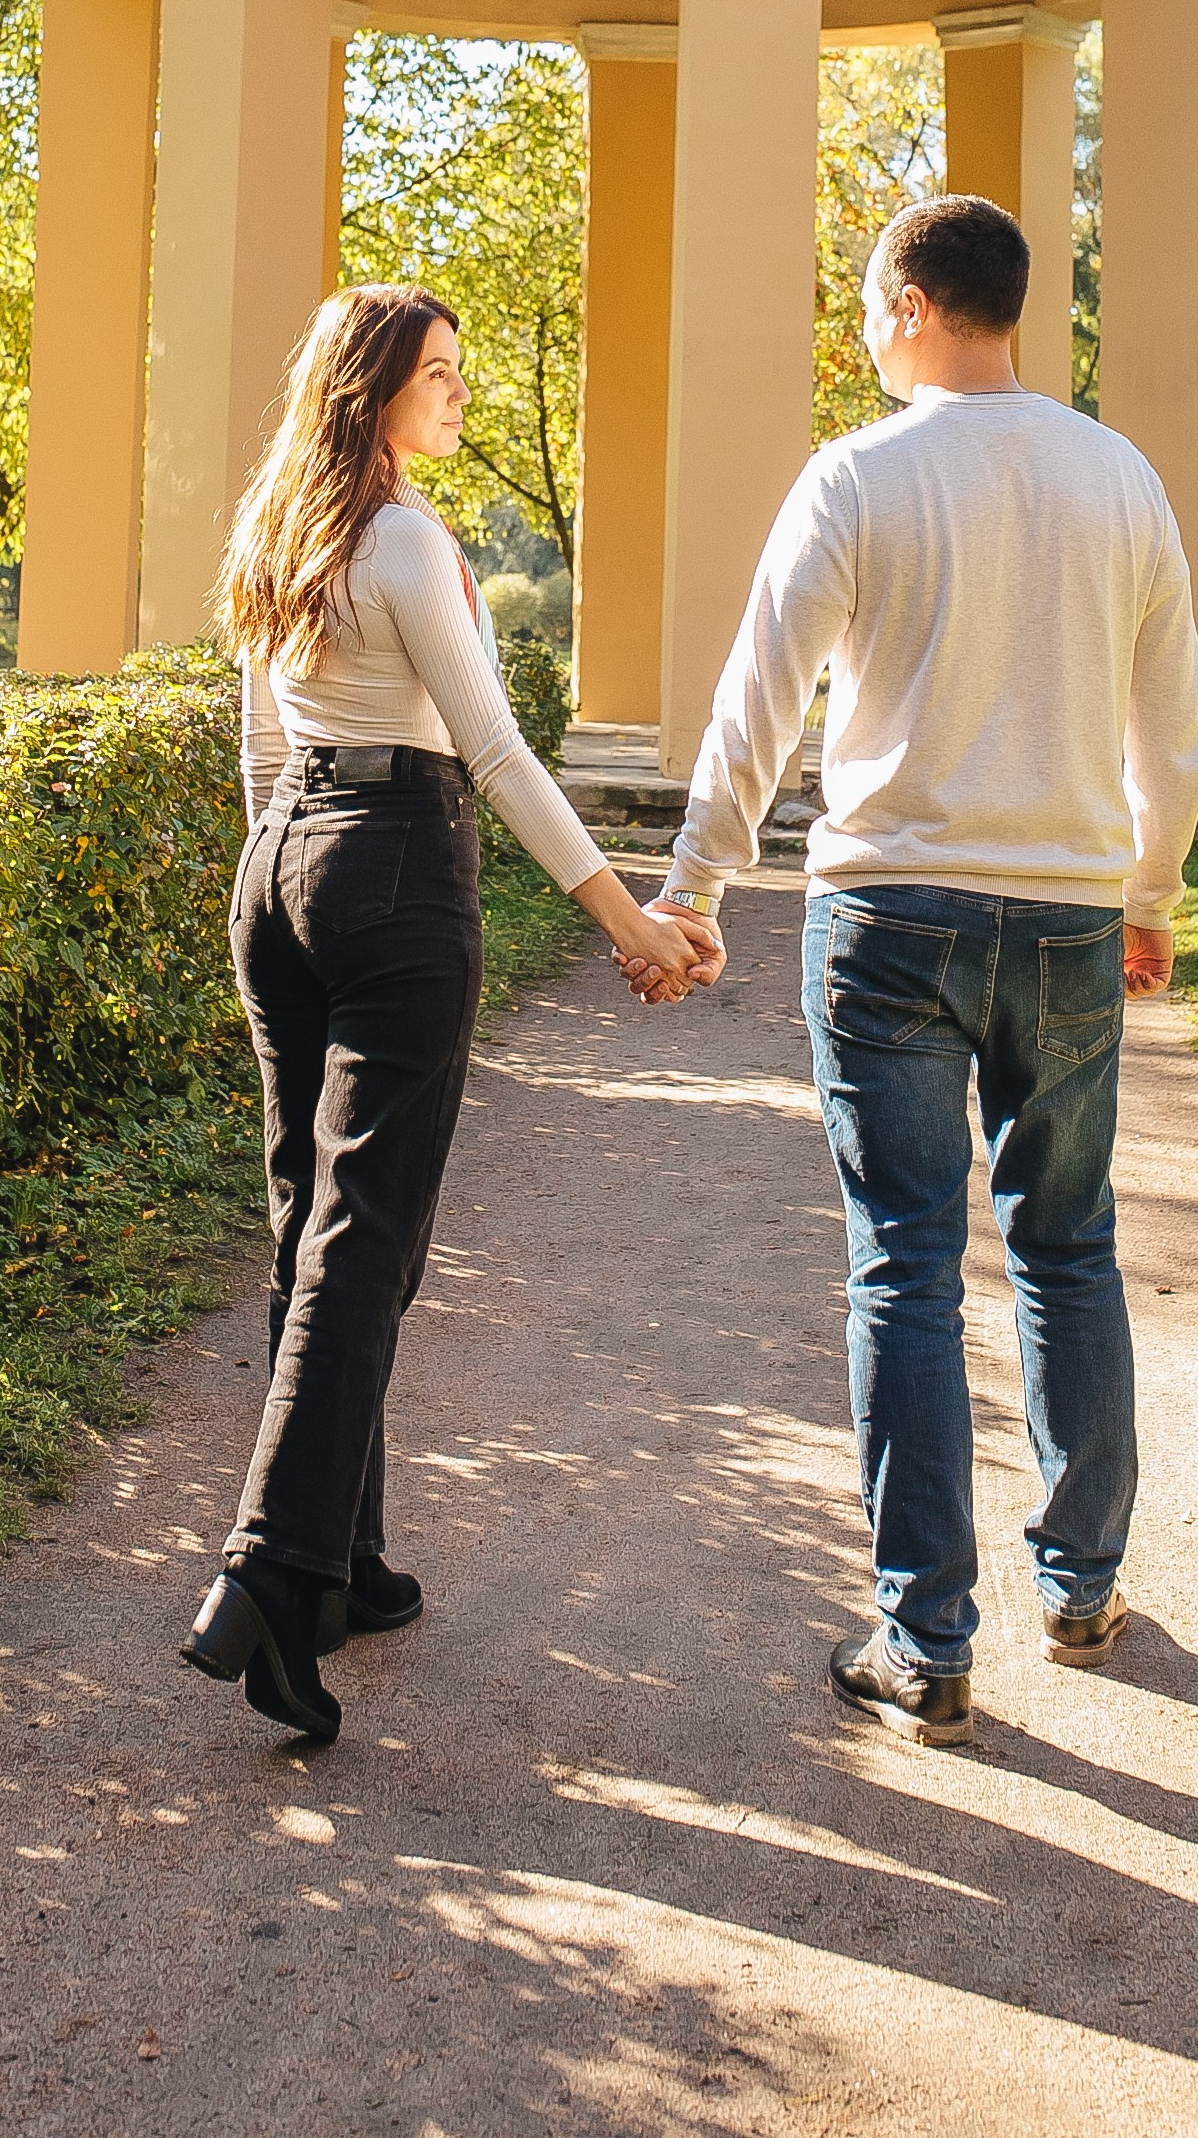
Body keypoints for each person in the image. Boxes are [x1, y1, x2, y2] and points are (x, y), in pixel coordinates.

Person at [644, 196, 1198, 1747]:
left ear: (905, 301)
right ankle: (1081, 1586)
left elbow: (757, 698)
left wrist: (693, 888)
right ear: (1013, 309)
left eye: (863, 301)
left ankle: (926, 1641)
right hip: (1070, 917)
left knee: (903, 1262)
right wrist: (1148, 889)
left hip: (890, 915)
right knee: (1069, 1245)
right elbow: (1180, 722)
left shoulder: (858, 474)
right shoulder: (1121, 479)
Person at [181, 283, 716, 1743]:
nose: (459, 395)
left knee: (314, 1224)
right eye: (439, 374)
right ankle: (272, 1578)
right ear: (372, 393)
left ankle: (341, 1564)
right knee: (367, 1238)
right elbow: (492, 748)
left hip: (281, 867)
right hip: (398, 870)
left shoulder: (281, 532)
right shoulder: (403, 539)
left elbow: (257, 746)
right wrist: (632, 923)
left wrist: (273, 884)